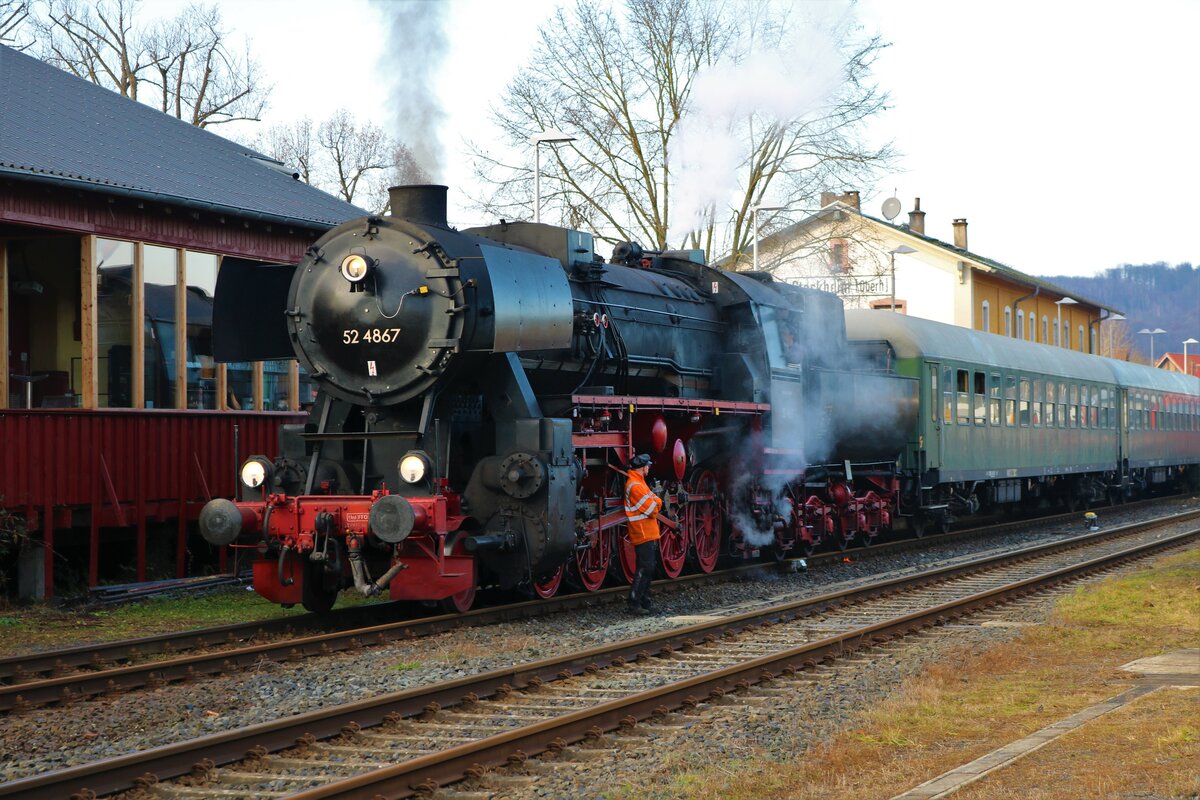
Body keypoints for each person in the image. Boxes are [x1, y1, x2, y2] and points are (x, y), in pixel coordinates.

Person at [624, 452, 663, 615]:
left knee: (649, 568)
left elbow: (657, 502)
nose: (649, 468)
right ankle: (634, 602)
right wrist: (655, 503)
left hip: (648, 532)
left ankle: (644, 601)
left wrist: (656, 503)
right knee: (644, 568)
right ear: (642, 467)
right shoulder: (635, 486)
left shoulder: (640, 483)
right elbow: (653, 509)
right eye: (647, 466)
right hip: (642, 533)